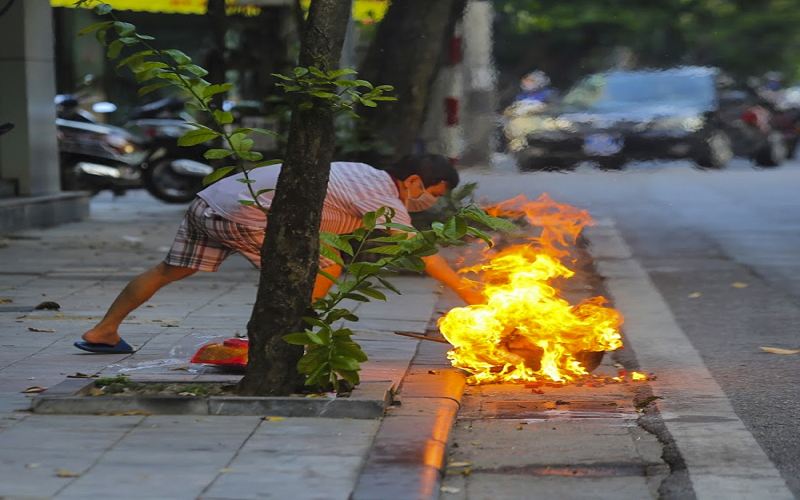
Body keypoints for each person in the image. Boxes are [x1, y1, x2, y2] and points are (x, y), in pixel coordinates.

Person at [74, 153, 484, 353]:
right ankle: (268, 343)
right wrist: (466, 289)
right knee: (314, 271)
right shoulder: (379, 191)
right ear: (412, 181)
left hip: (211, 201)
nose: (428, 202)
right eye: (431, 194)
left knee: (170, 270)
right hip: (243, 211)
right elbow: (414, 248)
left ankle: (102, 333)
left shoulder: (362, 176)